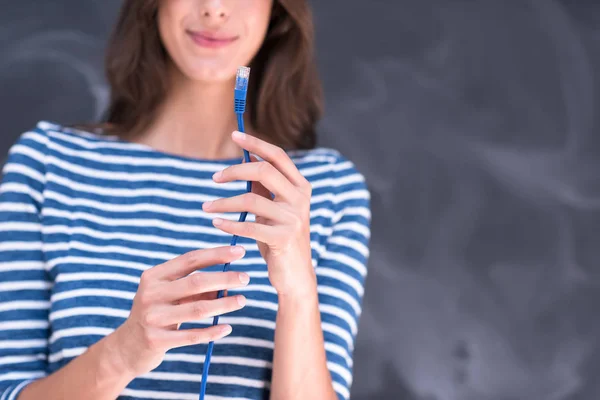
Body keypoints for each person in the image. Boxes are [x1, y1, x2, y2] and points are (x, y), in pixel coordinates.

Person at [0, 0, 371, 399]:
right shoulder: (48, 164)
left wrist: (298, 291)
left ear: (277, 9)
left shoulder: (326, 188)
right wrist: (123, 353)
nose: (213, 9)